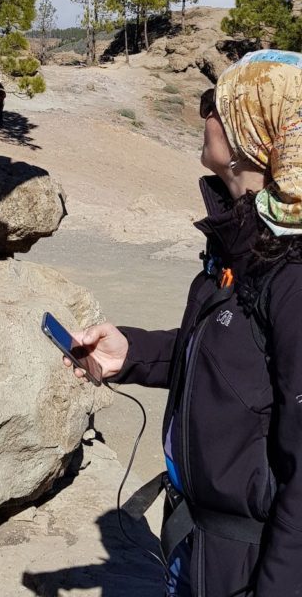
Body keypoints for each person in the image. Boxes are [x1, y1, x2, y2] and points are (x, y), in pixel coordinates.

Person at [64, 50, 302, 597]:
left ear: (254, 128)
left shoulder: (292, 272)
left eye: (213, 105)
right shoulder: (242, 246)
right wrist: (134, 354)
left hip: (254, 567)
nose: (204, 119)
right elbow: (236, 368)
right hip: (199, 552)